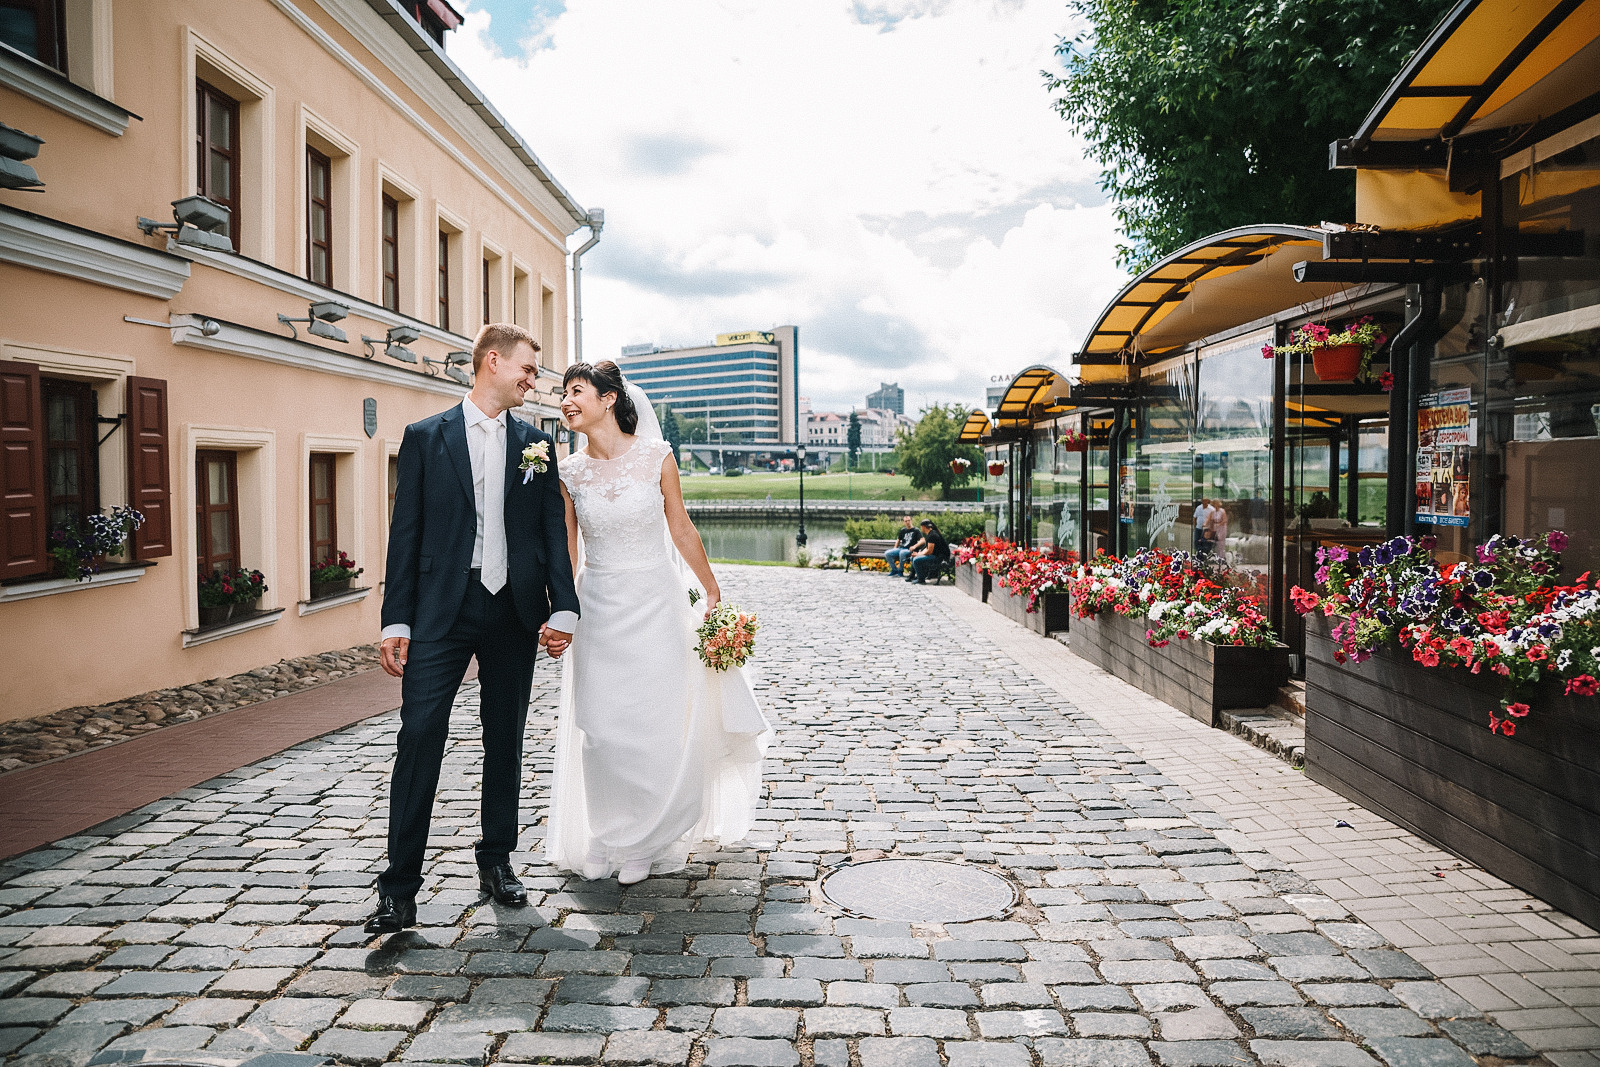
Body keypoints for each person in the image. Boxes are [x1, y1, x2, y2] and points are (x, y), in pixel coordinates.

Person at [368, 323, 579, 935]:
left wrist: (561, 607)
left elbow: (550, 537)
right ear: (494, 362)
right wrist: (396, 619)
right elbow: (404, 533)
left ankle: (497, 862)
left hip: (512, 610)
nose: (534, 382)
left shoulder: (537, 445)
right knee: (420, 737)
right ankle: (399, 889)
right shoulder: (425, 438)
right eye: (529, 370)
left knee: (505, 740)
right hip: (442, 609)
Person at [546, 361, 771, 886]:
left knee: (649, 724)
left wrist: (710, 588)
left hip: (656, 602)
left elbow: (680, 525)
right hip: (599, 606)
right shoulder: (569, 471)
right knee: (600, 729)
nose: (565, 401)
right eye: (563, 393)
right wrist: (560, 608)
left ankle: (644, 838)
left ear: (608, 399)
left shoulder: (655, 457)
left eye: (575, 391)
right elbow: (567, 545)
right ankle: (605, 833)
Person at [907, 519, 950, 584]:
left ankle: (921, 579)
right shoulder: (930, 534)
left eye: (921, 526)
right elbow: (927, 549)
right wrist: (919, 553)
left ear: (924, 527)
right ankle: (917, 576)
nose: (921, 528)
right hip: (936, 556)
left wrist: (918, 555)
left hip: (940, 559)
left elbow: (929, 551)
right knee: (913, 558)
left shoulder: (932, 535)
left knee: (916, 560)